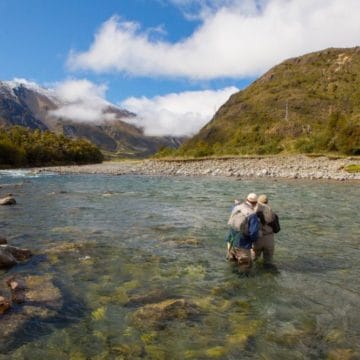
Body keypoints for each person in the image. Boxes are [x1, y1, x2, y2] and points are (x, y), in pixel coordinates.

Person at [226, 193, 260, 270]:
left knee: (232, 267)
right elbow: (253, 233)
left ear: (246, 199)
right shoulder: (252, 214)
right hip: (243, 245)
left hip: (231, 242)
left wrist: (237, 203)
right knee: (244, 270)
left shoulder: (236, 208)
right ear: (255, 203)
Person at [253, 194, 275, 265]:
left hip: (258, 238)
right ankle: (268, 275)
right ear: (267, 201)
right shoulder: (271, 210)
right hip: (269, 238)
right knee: (268, 262)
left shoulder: (255, 209)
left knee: (254, 261)